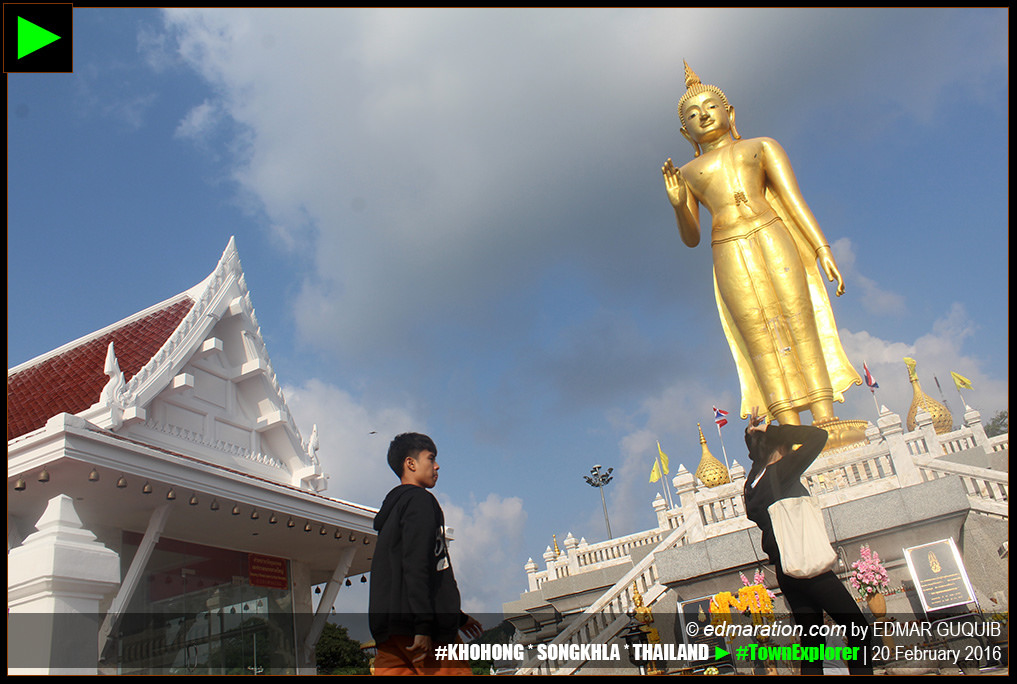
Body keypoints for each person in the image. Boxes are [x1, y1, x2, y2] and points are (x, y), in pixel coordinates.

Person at [662, 62, 861, 429]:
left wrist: (823, 250)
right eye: (693, 114)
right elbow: (691, 238)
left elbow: (793, 200)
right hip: (727, 247)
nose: (703, 116)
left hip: (771, 232)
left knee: (799, 321)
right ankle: (787, 427)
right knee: (760, 337)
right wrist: (678, 205)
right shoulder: (688, 174)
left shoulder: (761, 147)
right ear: (684, 130)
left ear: (730, 112)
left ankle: (825, 417)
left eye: (710, 107)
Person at [742, 408, 872, 675]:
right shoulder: (781, 471)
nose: (791, 449)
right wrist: (774, 430)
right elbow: (817, 436)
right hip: (805, 561)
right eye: (786, 445)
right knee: (858, 629)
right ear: (779, 445)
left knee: (813, 642)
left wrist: (753, 434)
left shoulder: (751, 485)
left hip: (785, 569)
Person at [369, 432, 482, 675]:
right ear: (411, 463)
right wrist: (423, 625)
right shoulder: (420, 501)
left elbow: (402, 569)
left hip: (389, 633)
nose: (437, 465)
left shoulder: (390, 513)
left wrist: (459, 618)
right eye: (431, 458)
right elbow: (419, 564)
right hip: (425, 631)